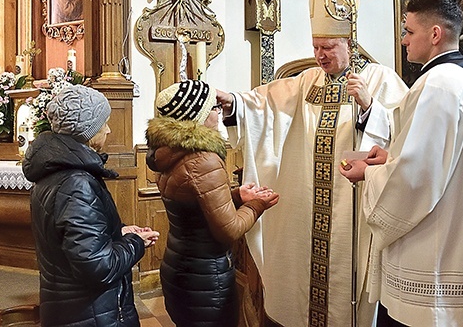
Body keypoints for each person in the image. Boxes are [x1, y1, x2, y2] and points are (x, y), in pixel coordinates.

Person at [215, 0, 408, 326]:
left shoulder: (381, 80)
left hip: (356, 217)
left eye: (329, 47)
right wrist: (233, 104)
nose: (320, 55)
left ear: (350, 41)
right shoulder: (306, 81)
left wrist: (369, 108)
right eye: (316, 46)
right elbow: (266, 105)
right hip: (308, 214)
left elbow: (404, 138)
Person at [339, 0, 463, 326]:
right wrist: (391, 154)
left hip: (436, 256)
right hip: (462, 240)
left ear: (434, 34)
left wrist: (369, 173)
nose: (404, 41)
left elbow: (416, 177)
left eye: (408, 31)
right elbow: (448, 156)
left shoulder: (439, 84)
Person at [146, 79, 280, 327]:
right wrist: (256, 205)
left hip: (180, 267)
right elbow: (228, 230)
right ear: (198, 115)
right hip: (205, 279)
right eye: (214, 108)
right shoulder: (203, 160)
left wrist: (237, 196)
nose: (219, 113)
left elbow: (195, 206)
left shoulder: (168, 152)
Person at [23, 85, 160, 326]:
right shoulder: (76, 183)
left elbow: (73, 242)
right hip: (91, 314)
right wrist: (136, 243)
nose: (108, 129)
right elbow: (98, 267)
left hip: (74, 310)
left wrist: (118, 232)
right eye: (103, 123)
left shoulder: (56, 170)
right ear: (87, 130)